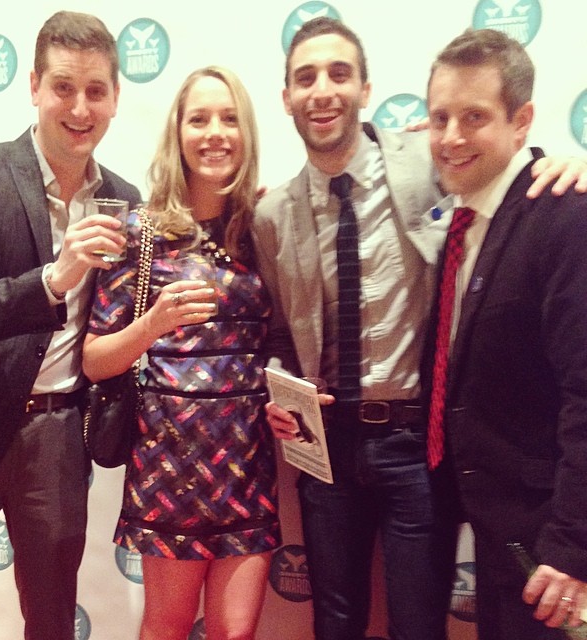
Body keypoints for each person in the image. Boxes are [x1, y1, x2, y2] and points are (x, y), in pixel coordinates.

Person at [252, 16, 587, 640]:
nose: (322, 90)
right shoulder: (272, 214)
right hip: (325, 450)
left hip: (416, 448)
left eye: (339, 74)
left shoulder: (425, 160)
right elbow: (278, 333)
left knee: (417, 624)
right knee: (337, 621)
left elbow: (505, 171)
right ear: (287, 98)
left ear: (365, 89)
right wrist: (281, 387)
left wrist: (567, 164)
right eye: (306, 78)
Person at [0, 10, 141, 640]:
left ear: (115, 98)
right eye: (63, 87)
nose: (79, 107)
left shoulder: (126, 199)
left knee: (53, 622)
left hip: (59, 436)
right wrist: (54, 278)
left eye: (95, 90)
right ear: (33, 85)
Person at [82, 65, 280, 640]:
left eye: (228, 118)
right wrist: (153, 324)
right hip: (170, 464)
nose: (215, 132)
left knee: (235, 632)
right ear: (179, 132)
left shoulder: (263, 227)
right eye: (199, 118)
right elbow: (96, 360)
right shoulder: (141, 231)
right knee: (165, 627)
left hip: (249, 459)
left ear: (246, 133)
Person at [423, 28, 587, 640]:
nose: (451, 137)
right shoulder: (466, 218)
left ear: (522, 121)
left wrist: (574, 550)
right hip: (497, 537)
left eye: (474, 117)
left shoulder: (565, 215)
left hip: (550, 552)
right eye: (439, 118)